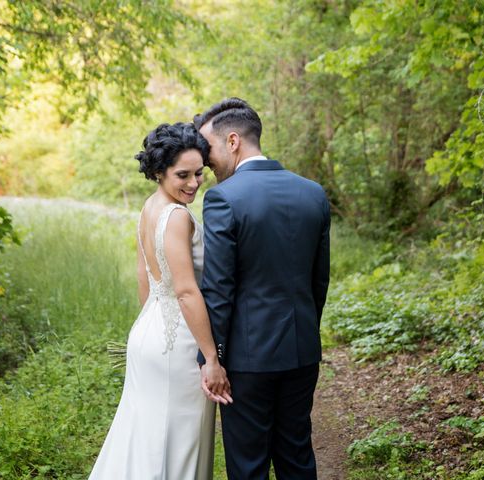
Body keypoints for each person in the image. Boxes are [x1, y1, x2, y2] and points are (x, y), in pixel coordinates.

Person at [195, 98, 331, 480]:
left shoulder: (223, 198)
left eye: (210, 151)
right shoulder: (313, 193)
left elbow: (219, 288)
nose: (208, 162)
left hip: (246, 358)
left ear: (233, 141)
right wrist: (304, 329)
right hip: (302, 349)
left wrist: (213, 359)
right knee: (297, 455)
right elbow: (319, 280)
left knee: (249, 464)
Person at [88, 122, 232, 480]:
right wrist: (211, 359)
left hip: (148, 334)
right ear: (158, 172)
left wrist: (155, 324)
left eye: (199, 172)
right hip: (179, 344)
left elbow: (145, 279)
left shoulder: (149, 207)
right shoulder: (178, 217)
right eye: (182, 175)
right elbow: (185, 291)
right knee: (178, 443)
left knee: (145, 437)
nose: (194, 183)